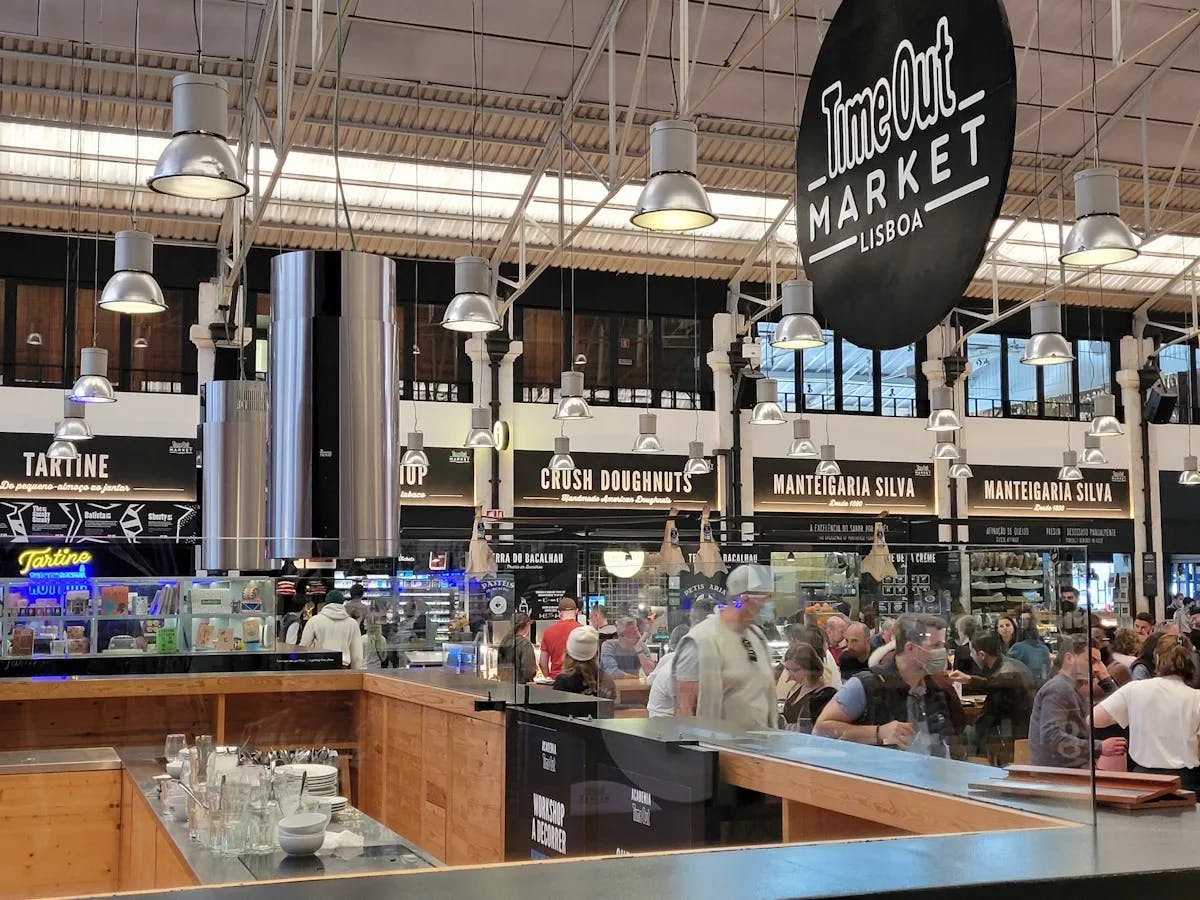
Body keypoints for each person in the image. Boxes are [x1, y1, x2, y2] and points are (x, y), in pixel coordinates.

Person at [813, 613, 965, 757]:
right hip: (882, 778)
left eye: (942, 645)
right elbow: (820, 730)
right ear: (910, 648)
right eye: (936, 645)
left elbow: (949, 739)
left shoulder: (937, 686)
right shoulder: (867, 685)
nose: (942, 652)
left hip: (931, 778)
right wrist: (877, 733)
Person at [673, 564, 777, 730]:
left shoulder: (756, 637)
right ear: (745, 598)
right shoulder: (701, 641)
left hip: (760, 747)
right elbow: (684, 708)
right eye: (766, 598)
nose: (769, 604)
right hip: (721, 750)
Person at [1093, 636, 1200, 790]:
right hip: (1186, 781)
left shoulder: (1134, 689)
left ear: (1156, 657)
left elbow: (1094, 718)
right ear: (1191, 661)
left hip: (1143, 779)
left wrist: (1134, 716)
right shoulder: (1196, 698)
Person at [1027, 633, 1123, 768]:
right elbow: (1051, 737)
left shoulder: (1074, 688)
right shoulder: (1059, 689)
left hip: (1071, 771)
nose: (1097, 669)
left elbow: (1120, 709)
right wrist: (1099, 747)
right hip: (1062, 775)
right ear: (1069, 658)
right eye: (1091, 661)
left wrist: (1106, 679)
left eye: (1099, 662)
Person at [951, 630, 1035, 765]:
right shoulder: (1014, 666)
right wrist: (970, 680)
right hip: (1026, 734)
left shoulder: (1004, 676)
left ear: (982, 655)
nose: (971, 656)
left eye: (972, 653)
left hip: (1009, 739)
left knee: (963, 734)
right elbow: (995, 683)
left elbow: (988, 719)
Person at [299, 589, 364, 669]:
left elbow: (303, 648)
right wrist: (355, 674)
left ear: (326, 603)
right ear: (342, 602)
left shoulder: (314, 621)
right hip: (342, 667)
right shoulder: (352, 624)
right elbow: (357, 656)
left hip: (318, 666)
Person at [780, 644, 837, 732]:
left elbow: (815, 729)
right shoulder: (796, 687)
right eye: (788, 669)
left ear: (810, 668)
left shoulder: (824, 695)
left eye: (795, 670)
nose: (790, 675)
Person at [552, 626, 615, 699]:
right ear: (595, 653)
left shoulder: (563, 681)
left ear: (567, 653)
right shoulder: (605, 679)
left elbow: (556, 709)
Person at [538, 596, 582, 679]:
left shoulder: (548, 632)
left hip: (557, 680)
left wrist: (548, 678)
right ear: (576, 611)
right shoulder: (582, 631)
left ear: (559, 612)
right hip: (578, 680)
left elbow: (542, 663)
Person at [647, 627, 684, 718]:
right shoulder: (676, 668)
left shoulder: (671, 658)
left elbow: (650, 681)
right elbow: (683, 707)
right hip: (663, 720)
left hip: (659, 714)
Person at [1007, 618, 1052, 686]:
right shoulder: (1045, 649)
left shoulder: (1017, 648)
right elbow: (1045, 675)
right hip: (1043, 688)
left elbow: (1007, 669)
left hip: (1025, 689)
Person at [497, 612, 537, 684]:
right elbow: (528, 671)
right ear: (527, 625)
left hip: (505, 684)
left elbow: (500, 665)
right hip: (521, 686)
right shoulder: (525, 644)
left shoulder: (505, 640)